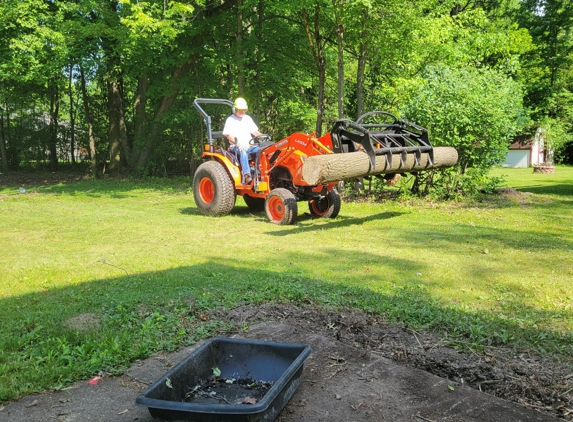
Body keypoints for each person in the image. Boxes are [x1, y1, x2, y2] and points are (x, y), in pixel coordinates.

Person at [223, 97, 261, 184]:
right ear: (235, 109)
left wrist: (263, 136)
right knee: (243, 151)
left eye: (244, 110)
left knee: (262, 150)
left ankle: (259, 171)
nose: (243, 112)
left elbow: (255, 132)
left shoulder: (247, 118)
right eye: (240, 110)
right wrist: (238, 143)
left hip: (249, 146)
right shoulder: (230, 120)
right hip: (236, 147)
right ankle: (247, 175)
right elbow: (228, 135)